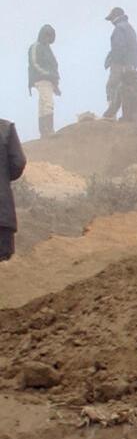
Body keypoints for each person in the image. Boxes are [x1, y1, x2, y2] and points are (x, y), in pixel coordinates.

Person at [102, 6, 137, 120]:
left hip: (120, 63)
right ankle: (127, 116)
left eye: (111, 18)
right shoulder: (130, 28)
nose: (111, 22)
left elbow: (119, 47)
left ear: (116, 17)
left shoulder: (119, 28)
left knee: (112, 86)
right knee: (126, 89)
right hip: (131, 64)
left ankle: (111, 116)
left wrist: (117, 63)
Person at [27, 25, 60, 139]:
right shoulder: (36, 46)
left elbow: (54, 65)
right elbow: (34, 63)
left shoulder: (47, 48)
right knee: (48, 103)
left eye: (50, 37)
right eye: (47, 36)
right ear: (42, 35)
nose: (48, 39)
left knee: (43, 104)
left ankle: (44, 132)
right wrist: (47, 74)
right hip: (40, 79)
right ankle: (48, 130)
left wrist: (55, 84)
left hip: (48, 80)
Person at [0, 118, 26, 262]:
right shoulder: (5, 128)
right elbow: (18, 162)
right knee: (4, 268)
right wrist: (3, 179)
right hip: (2, 215)